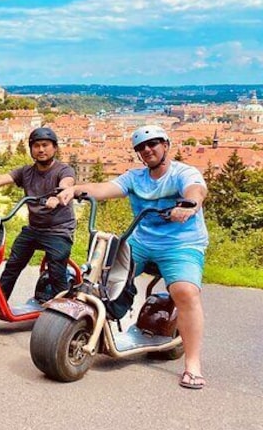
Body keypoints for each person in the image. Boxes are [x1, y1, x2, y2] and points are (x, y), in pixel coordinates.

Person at [57, 125, 208, 390]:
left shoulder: (183, 173)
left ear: (166, 145)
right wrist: (74, 190)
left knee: (185, 292)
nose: (147, 150)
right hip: (140, 241)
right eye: (141, 147)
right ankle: (104, 324)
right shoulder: (135, 177)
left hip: (181, 243)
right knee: (99, 275)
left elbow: (196, 190)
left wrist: (190, 205)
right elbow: (105, 188)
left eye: (153, 144)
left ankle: (193, 365)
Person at [0, 127, 75, 301]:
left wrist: (59, 196)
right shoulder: (26, 171)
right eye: (36, 146)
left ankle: (63, 313)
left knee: (57, 272)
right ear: (31, 149)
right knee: (12, 266)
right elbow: (1, 178)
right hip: (34, 228)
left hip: (59, 230)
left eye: (45, 145)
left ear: (54, 148)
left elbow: (67, 183)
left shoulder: (63, 170)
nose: (41, 150)